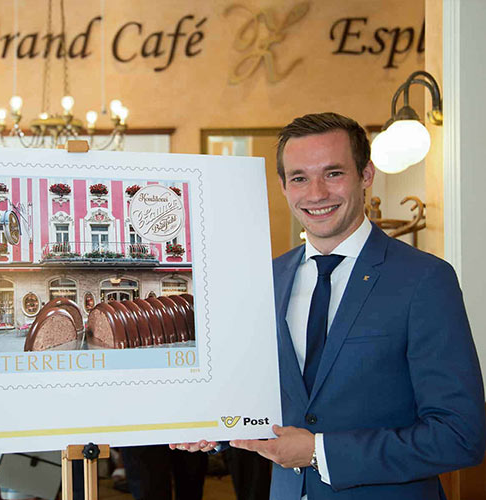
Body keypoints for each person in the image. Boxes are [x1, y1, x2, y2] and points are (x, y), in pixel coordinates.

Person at [174, 112, 485, 499]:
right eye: (299, 177)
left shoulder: (424, 279)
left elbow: (459, 435)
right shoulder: (264, 280)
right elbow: (265, 402)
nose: (316, 193)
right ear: (284, 186)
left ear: (366, 175)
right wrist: (215, 429)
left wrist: (319, 452)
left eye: (333, 173)